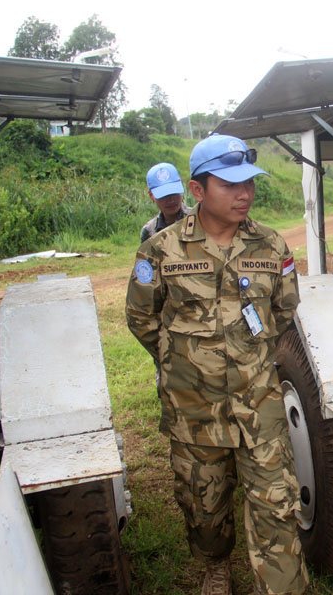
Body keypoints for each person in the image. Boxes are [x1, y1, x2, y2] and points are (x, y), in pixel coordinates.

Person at [125, 134, 306, 595]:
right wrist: (184, 362)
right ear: (198, 190)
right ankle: (214, 565)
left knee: (276, 505)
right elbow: (141, 317)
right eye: (230, 184)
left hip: (258, 400)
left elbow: (283, 310)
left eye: (249, 182)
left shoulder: (270, 246)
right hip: (194, 407)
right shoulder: (160, 251)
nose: (244, 193)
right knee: (205, 508)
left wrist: (247, 356)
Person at [140, 161, 193, 243]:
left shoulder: (200, 219)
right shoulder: (149, 231)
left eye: (174, 193)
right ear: (151, 195)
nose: (171, 200)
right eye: (164, 195)